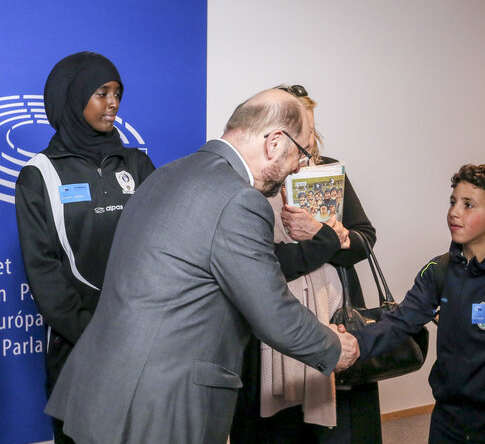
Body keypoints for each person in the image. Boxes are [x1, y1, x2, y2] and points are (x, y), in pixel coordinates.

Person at [44, 89, 359, 444]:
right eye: (300, 153)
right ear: (274, 143)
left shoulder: (167, 173)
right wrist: (334, 346)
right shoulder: (239, 199)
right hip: (159, 405)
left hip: (102, 391)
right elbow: (273, 312)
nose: (297, 167)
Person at [353, 164, 485, 444]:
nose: (454, 212)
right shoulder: (437, 271)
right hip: (446, 421)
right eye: (453, 202)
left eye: (468, 205)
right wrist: (351, 344)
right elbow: (399, 323)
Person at [14, 52, 156, 444]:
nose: (113, 103)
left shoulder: (138, 165)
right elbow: (42, 268)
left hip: (142, 339)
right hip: (79, 343)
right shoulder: (38, 175)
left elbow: (164, 242)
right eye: (101, 93)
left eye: (117, 93)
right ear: (73, 99)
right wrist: (93, 332)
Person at [231, 85, 382, 444]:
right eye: (301, 129)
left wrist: (320, 234)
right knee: (278, 431)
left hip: (335, 316)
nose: (309, 138)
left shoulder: (329, 172)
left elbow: (364, 240)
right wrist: (327, 240)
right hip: (271, 327)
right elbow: (263, 264)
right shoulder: (249, 184)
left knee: (337, 431)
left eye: (311, 128)